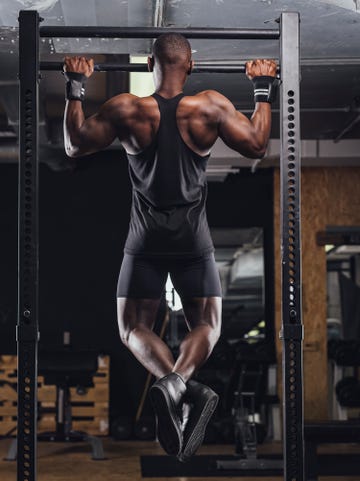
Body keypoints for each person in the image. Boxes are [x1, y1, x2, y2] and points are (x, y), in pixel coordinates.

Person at [63, 33, 277, 461]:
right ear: (191, 65)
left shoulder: (128, 108)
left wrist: (75, 85)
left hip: (144, 239)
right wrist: (262, 88)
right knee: (209, 326)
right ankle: (181, 382)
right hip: (192, 239)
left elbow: (74, 145)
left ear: (148, 66)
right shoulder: (210, 106)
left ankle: (173, 383)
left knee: (131, 328)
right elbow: (257, 143)